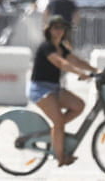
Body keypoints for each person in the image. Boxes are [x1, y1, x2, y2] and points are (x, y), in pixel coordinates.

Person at [28, 15, 99, 167]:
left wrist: (95, 70)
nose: (59, 31)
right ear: (49, 30)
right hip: (40, 89)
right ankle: (60, 157)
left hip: (54, 88)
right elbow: (61, 63)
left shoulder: (62, 48)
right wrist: (79, 73)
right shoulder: (46, 47)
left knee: (79, 105)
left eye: (62, 28)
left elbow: (76, 61)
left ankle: (55, 132)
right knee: (59, 121)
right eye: (56, 27)